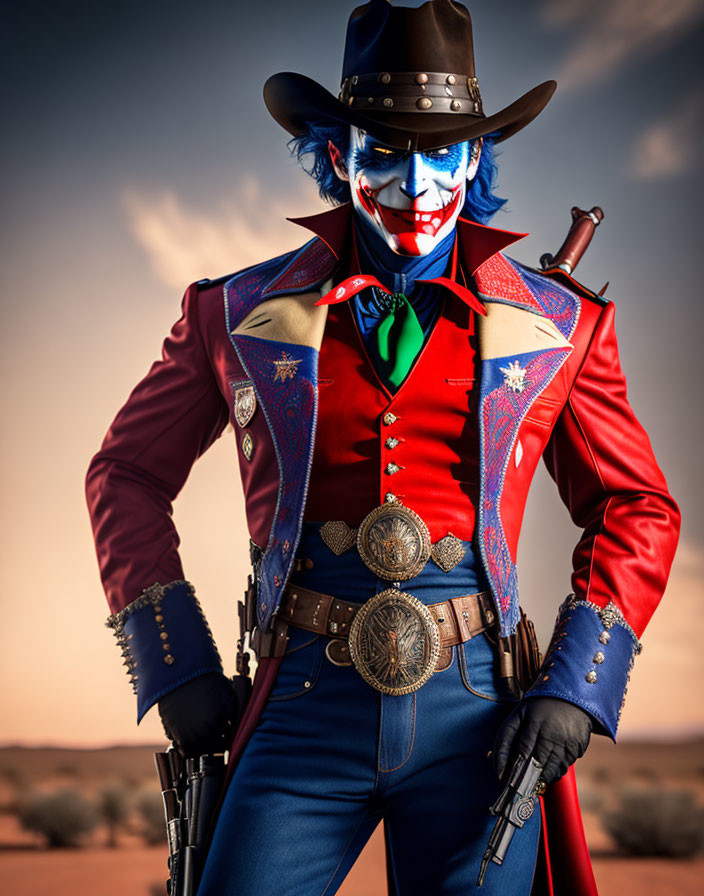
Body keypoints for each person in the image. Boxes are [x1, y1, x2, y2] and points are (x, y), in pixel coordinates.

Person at [85, 2, 680, 894]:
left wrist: (577, 685)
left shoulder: (563, 325)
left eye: (443, 150)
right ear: (336, 154)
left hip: (480, 722)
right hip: (297, 710)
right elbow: (125, 474)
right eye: (386, 150)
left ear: (475, 157)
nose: (418, 180)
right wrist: (176, 664)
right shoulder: (233, 314)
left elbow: (636, 506)